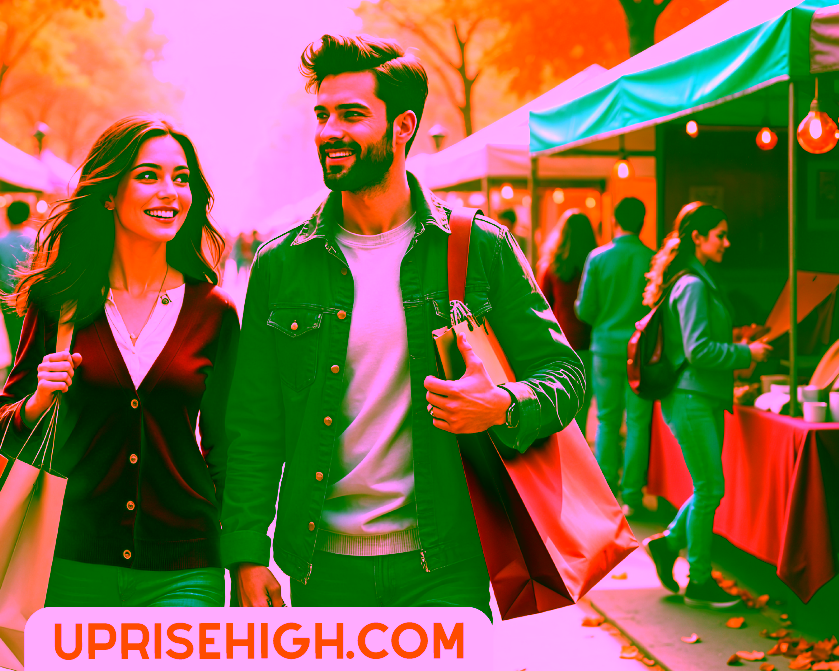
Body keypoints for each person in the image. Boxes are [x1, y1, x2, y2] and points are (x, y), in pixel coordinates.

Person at [221, 35, 585, 614]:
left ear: (403, 126)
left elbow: (565, 373)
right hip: (322, 568)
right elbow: (253, 426)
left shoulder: (476, 247)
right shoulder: (281, 263)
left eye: (351, 114)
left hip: (444, 565)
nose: (329, 131)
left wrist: (503, 405)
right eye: (322, 115)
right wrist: (245, 553)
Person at [0, 115, 237, 607]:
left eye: (181, 178)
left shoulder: (214, 313)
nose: (170, 191)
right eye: (149, 175)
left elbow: (228, 448)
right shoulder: (59, 302)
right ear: (108, 193)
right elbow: (0, 429)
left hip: (184, 569)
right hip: (69, 566)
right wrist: (38, 402)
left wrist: (244, 554)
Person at [641, 202, 770, 608]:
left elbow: (696, 341)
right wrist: (747, 352)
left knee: (708, 487)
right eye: (720, 235)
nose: (727, 242)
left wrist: (738, 342)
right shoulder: (694, 284)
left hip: (700, 396)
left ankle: (669, 546)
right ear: (698, 237)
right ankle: (698, 580)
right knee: (710, 487)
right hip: (692, 396)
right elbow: (698, 350)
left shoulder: (695, 279)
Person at [575, 197, 654, 514]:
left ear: (614, 220)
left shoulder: (597, 258)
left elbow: (584, 309)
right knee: (637, 422)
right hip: (641, 350)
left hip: (605, 347)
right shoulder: (652, 258)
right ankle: (632, 496)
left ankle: (606, 493)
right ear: (643, 222)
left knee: (606, 420)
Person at [539, 209, 597, 434]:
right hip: (590, 342)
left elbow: (542, 306)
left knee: (562, 403)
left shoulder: (552, 266)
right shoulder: (594, 263)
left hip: (561, 341)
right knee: (585, 403)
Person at [0, 200, 37, 356]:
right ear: (28, 216)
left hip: (7, 297)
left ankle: (14, 365)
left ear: (7, 217)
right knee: (30, 335)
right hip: (32, 296)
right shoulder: (36, 238)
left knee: (12, 336)